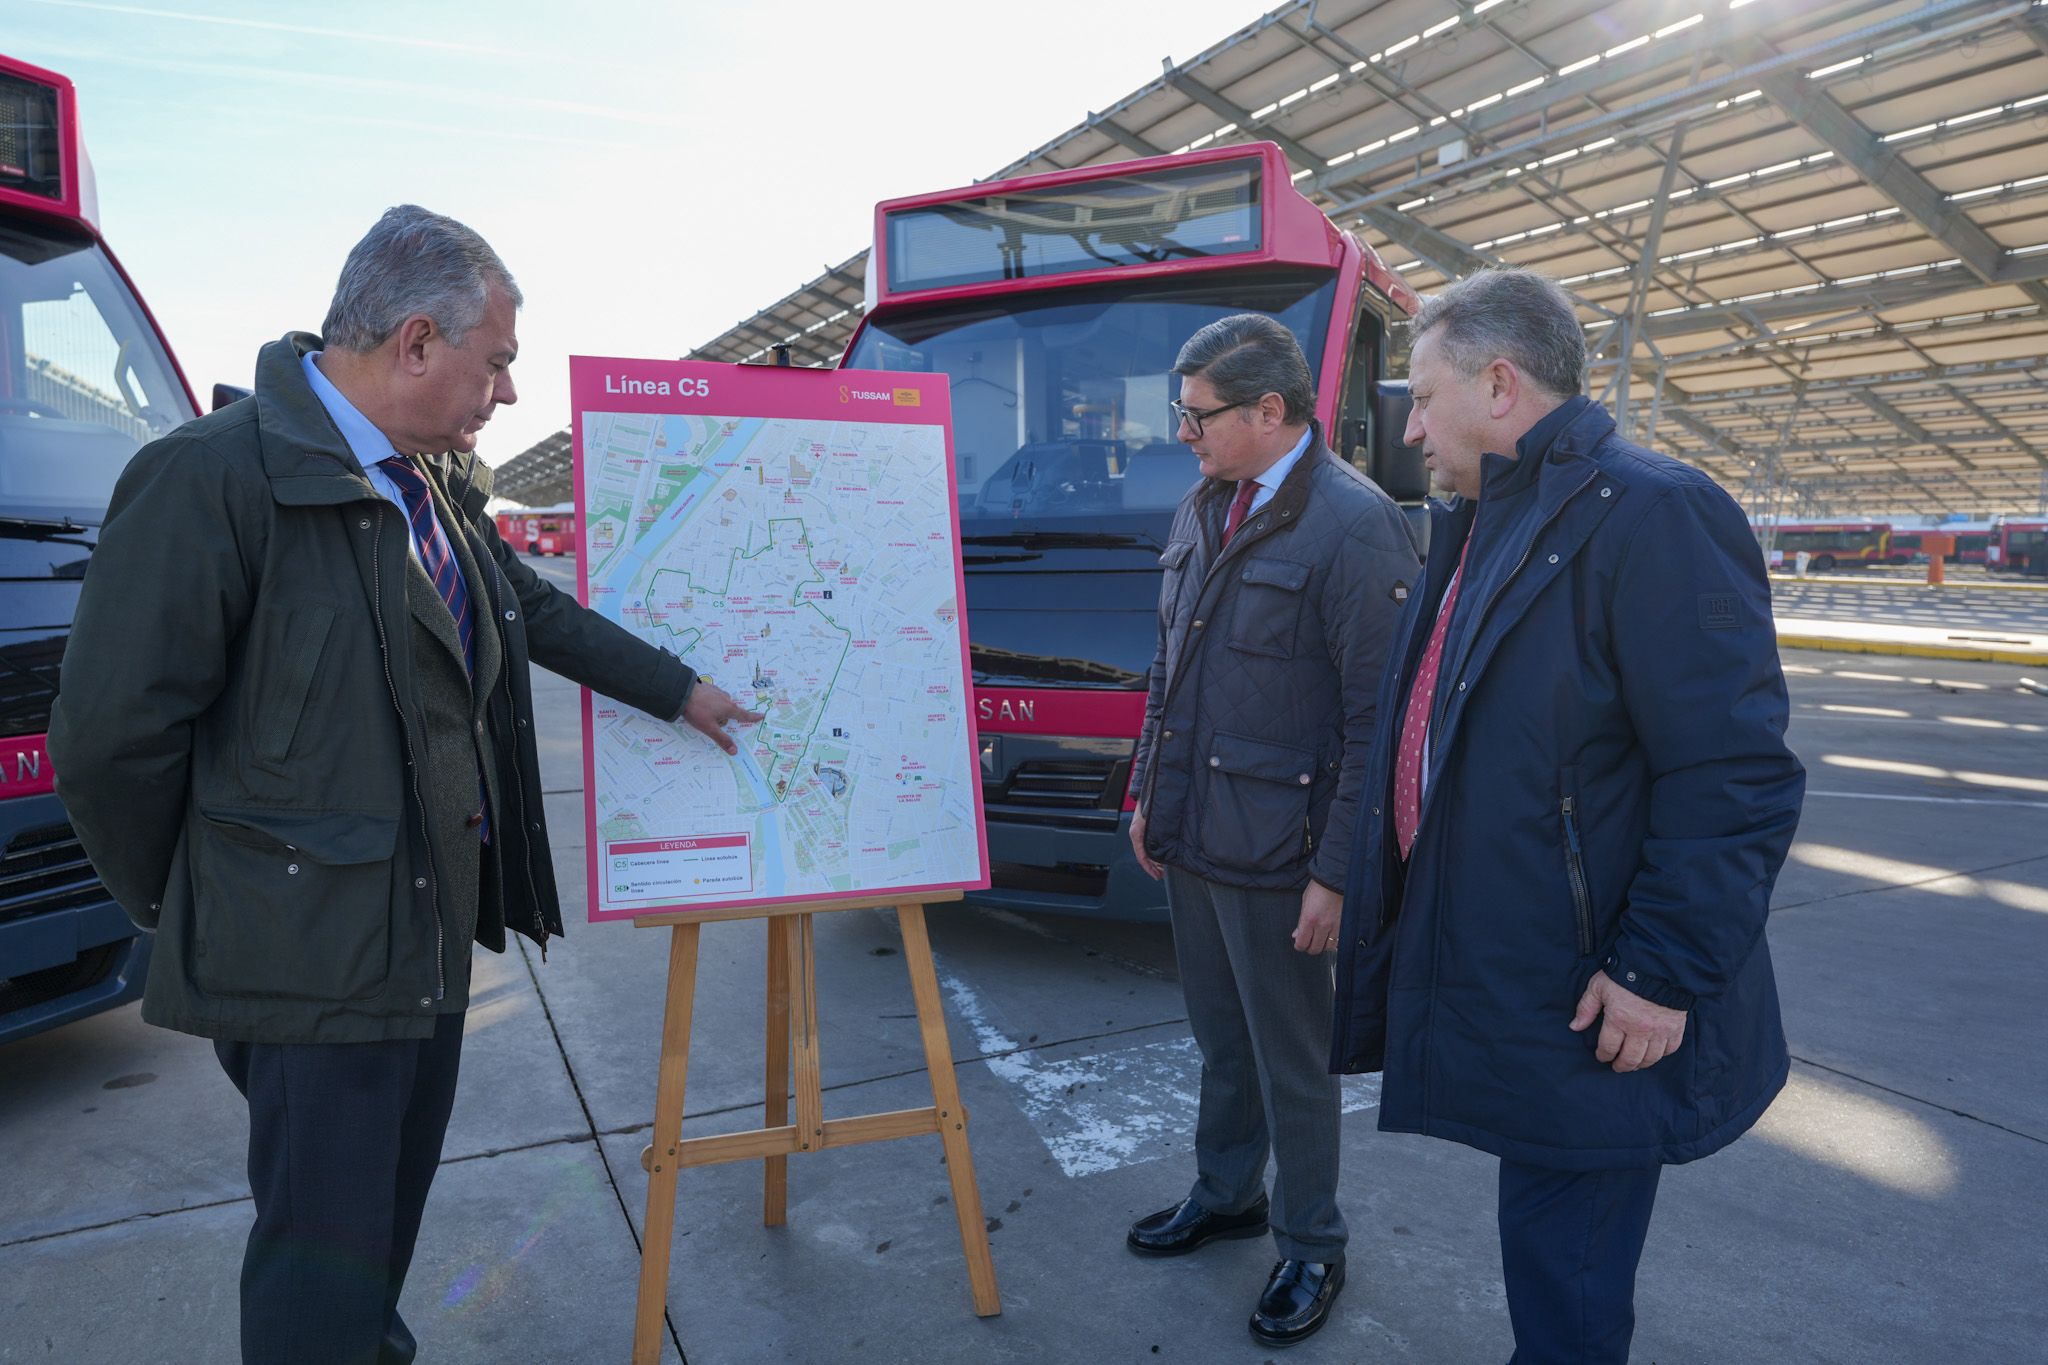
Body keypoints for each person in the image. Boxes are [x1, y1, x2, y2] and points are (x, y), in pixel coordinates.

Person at [48, 205, 760, 1365]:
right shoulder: (211, 479)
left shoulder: (424, 484)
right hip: (301, 949)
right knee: (318, 1255)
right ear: (418, 342)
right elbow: (111, 736)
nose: (509, 396)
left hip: (416, 934)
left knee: (374, 1232)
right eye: (500, 364)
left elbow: (526, 608)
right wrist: (191, 902)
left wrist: (676, 688)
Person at [1329, 268, 1806, 1363]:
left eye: (1422, 394)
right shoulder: (1486, 522)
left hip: (1601, 985)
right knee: (1547, 1249)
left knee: (1568, 1268)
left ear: (1497, 386)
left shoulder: (1655, 513)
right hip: (1524, 970)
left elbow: (1731, 772)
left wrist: (1658, 970)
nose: (1407, 426)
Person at [1124, 313, 1420, 1346]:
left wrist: (1336, 874)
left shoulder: (1352, 524)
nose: (1182, 433)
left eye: (1197, 415)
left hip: (1283, 850)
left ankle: (1309, 1244)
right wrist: (1142, 794)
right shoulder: (1205, 506)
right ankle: (1226, 1196)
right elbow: (1168, 671)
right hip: (1195, 831)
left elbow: (1376, 724)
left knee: (1291, 1059)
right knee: (1220, 1042)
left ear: (1269, 410)